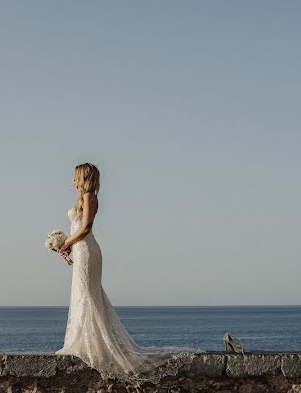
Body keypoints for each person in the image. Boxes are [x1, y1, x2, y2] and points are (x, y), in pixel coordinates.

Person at [54, 162, 205, 384]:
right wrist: (67, 247)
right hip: (82, 249)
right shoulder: (82, 198)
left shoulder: (89, 197)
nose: (72, 181)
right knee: (84, 294)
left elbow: (85, 228)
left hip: (87, 249)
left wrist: (66, 242)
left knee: (88, 294)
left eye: (75, 176)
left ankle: (91, 344)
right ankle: (85, 341)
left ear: (83, 177)